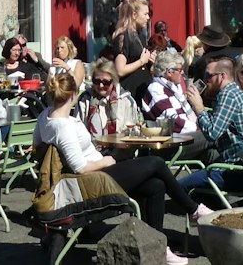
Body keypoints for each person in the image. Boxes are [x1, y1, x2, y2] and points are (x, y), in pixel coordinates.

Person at [36, 72, 210, 265]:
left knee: (155, 185)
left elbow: (37, 148)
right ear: (73, 95)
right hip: (92, 181)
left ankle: (158, 247)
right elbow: (81, 168)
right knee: (156, 163)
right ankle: (193, 210)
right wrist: (108, 160)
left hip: (89, 178)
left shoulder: (45, 117)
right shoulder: (64, 127)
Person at [182, 55, 243, 200]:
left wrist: (199, 108)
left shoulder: (228, 95)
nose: (205, 80)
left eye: (209, 76)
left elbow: (212, 133)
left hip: (239, 170)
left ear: (222, 76)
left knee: (178, 186)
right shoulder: (237, 94)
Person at [139, 50, 206, 155]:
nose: (182, 73)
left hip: (185, 137)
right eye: (179, 70)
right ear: (169, 72)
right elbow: (174, 122)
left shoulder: (174, 89)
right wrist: (202, 128)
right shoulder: (156, 90)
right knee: (214, 134)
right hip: (171, 144)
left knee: (214, 153)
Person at [75, 58, 142, 137]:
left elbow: (135, 132)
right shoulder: (84, 99)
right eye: (97, 81)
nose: (101, 85)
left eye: (105, 82)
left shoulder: (126, 101)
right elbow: (77, 129)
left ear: (114, 81)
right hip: (90, 143)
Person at [107, 0, 154, 99]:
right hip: (130, 94)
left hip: (143, 91)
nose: (148, 18)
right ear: (134, 15)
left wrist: (150, 60)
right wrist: (141, 61)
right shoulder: (123, 37)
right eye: (145, 14)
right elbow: (120, 70)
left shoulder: (140, 35)